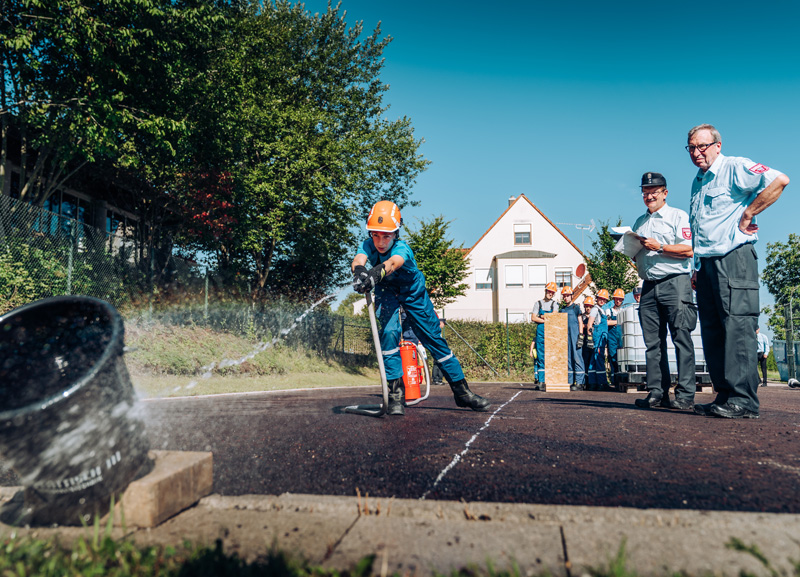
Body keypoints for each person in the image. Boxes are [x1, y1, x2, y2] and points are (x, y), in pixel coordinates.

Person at [687, 124, 789, 419]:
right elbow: (701, 226)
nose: (697, 153)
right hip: (707, 264)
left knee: (738, 327)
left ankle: (743, 399)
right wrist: (697, 265)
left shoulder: (734, 167)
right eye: (691, 148)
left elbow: (779, 180)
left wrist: (749, 212)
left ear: (718, 145)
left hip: (734, 257)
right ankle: (725, 394)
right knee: (713, 329)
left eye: (702, 146)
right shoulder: (699, 180)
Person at [352, 200, 491, 415]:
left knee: (433, 339)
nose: (380, 241)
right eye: (375, 234)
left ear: (396, 233)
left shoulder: (402, 249)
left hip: (412, 292)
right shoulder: (369, 244)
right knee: (389, 334)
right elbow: (359, 258)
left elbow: (392, 264)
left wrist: (375, 273)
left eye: (386, 235)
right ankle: (396, 396)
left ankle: (462, 393)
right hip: (387, 292)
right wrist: (360, 271)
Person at [630, 171, 696, 411]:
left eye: (654, 192)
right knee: (653, 343)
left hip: (675, 282)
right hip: (648, 285)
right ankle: (657, 392)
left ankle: (686, 395)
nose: (649, 196)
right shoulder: (640, 222)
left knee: (681, 337)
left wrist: (660, 247)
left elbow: (688, 249)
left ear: (665, 193)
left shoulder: (678, 216)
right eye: (645, 192)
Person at [530, 282, 558, 388]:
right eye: (549, 291)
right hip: (541, 332)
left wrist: (542, 316)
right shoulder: (538, 303)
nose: (550, 293)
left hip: (551, 332)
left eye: (552, 292)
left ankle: (550, 380)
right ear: (545, 291)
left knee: (551, 355)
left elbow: (555, 316)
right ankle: (541, 380)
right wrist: (547, 319)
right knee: (541, 356)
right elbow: (533, 318)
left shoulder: (555, 304)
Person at [560, 286, 585, 390]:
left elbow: (580, 322)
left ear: (571, 296)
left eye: (567, 296)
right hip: (566, 338)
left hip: (575, 337)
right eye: (564, 296)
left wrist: (580, 336)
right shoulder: (562, 310)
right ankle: (570, 381)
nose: (566, 298)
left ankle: (580, 383)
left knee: (577, 358)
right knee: (568, 359)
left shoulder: (576, 308)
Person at [586, 290, 609, 390]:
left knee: (594, 360)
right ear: (597, 298)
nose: (602, 301)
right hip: (598, 337)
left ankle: (592, 382)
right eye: (600, 298)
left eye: (604, 299)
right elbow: (589, 324)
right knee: (599, 358)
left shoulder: (601, 310)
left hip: (601, 338)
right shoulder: (595, 309)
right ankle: (601, 383)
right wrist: (590, 338)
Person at [605, 289, 625, 384]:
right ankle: (614, 381)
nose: (618, 301)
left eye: (620, 299)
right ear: (614, 299)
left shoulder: (624, 311)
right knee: (613, 358)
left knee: (622, 359)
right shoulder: (609, 311)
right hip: (612, 338)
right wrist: (618, 322)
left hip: (622, 338)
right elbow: (607, 322)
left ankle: (622, 379)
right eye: (616, 299)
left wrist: (615, 323)